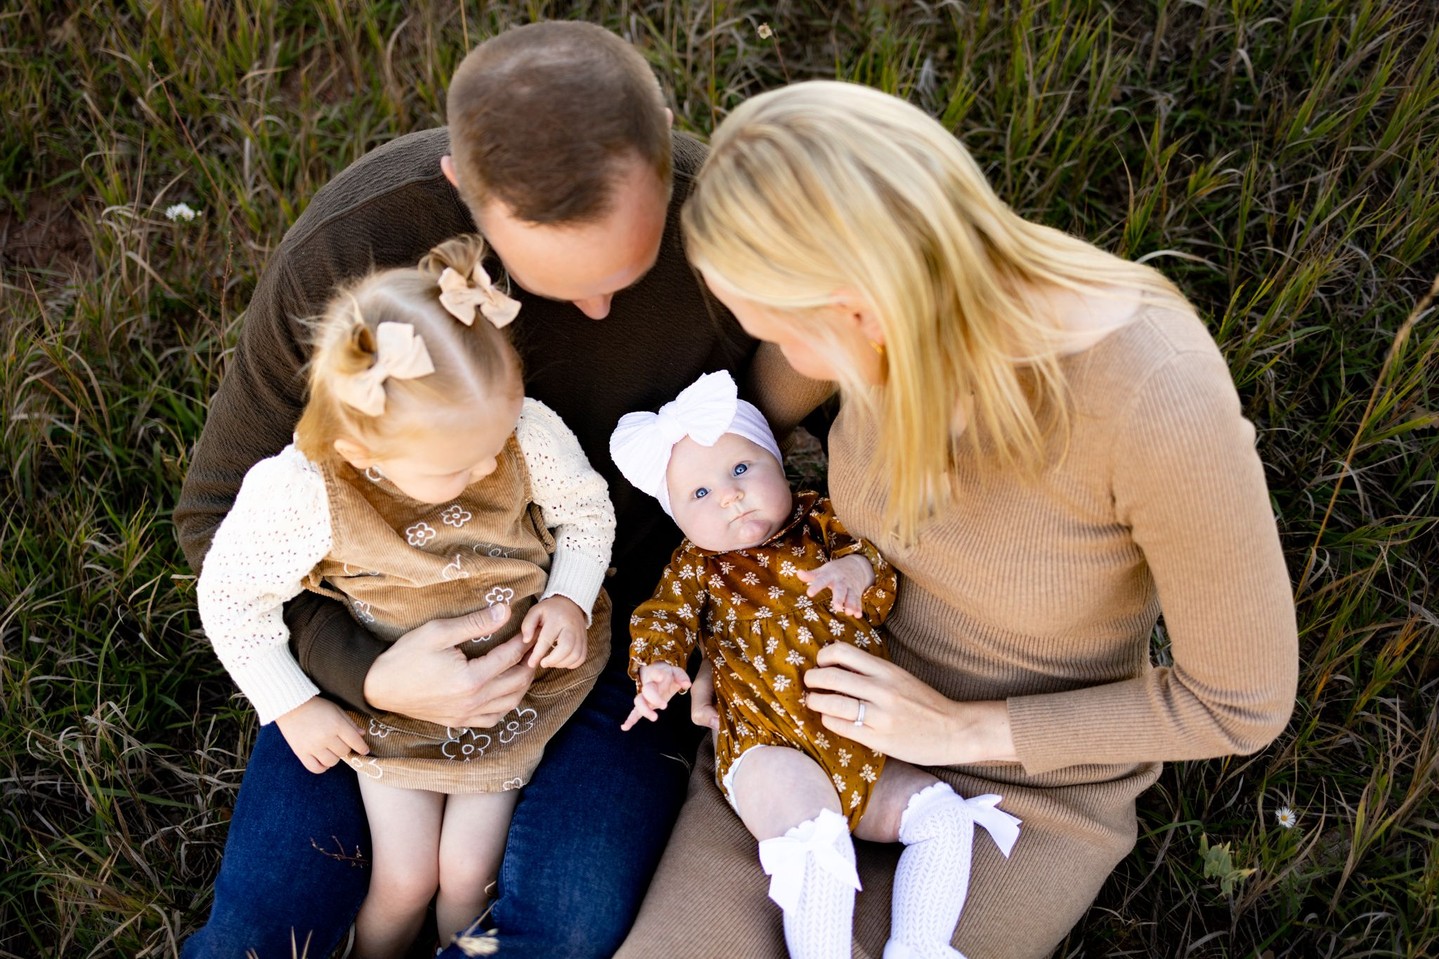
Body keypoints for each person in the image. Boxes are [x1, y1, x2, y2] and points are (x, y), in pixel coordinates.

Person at [174, 21, 829, 959]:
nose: (599, 310)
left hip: (617, 616)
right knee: (263, 934)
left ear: (667, 145)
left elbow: (862, 442)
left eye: (629, 268)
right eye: (555, 280)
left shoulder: (737, 229)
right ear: (461, 188)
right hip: (383, 614)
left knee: (555, 925)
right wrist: (363, 668)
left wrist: (746, 613)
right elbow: (213, 517)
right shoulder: (351, 255)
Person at [616, 81, 1299, 958]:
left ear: (859, 308)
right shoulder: (892, 316)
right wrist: (737, 631)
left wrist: (953, 730)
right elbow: (743, 432)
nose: (789, 361)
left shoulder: (1151, 397)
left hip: (1023, 773)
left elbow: (1240, 703)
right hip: (804, 709)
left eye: (790, 336)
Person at [196, 235, 616, 957]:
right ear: (364, 450)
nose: (491, 461)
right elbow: (231, 594)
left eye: (498, 432)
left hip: (510, 692)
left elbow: (584, 511)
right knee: (403, 875)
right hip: (390, 706)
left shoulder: (523, 431)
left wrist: (569, 598)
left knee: (468, 871)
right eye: (460, 462)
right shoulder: (306, 491)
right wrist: (293, 704)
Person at [611, 370, 1021, 959]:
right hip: (768, 744)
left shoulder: (823, 524)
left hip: (861, 740)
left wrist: (855, 572)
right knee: (815, 840)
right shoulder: (697, 564)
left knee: (944, 818)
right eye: (699, 495)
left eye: (741, 470)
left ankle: (920, 945)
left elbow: (877, 572)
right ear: (679, 519)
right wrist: (658, 668)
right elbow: (662, 618)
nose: (728, 495)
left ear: (780, 464)